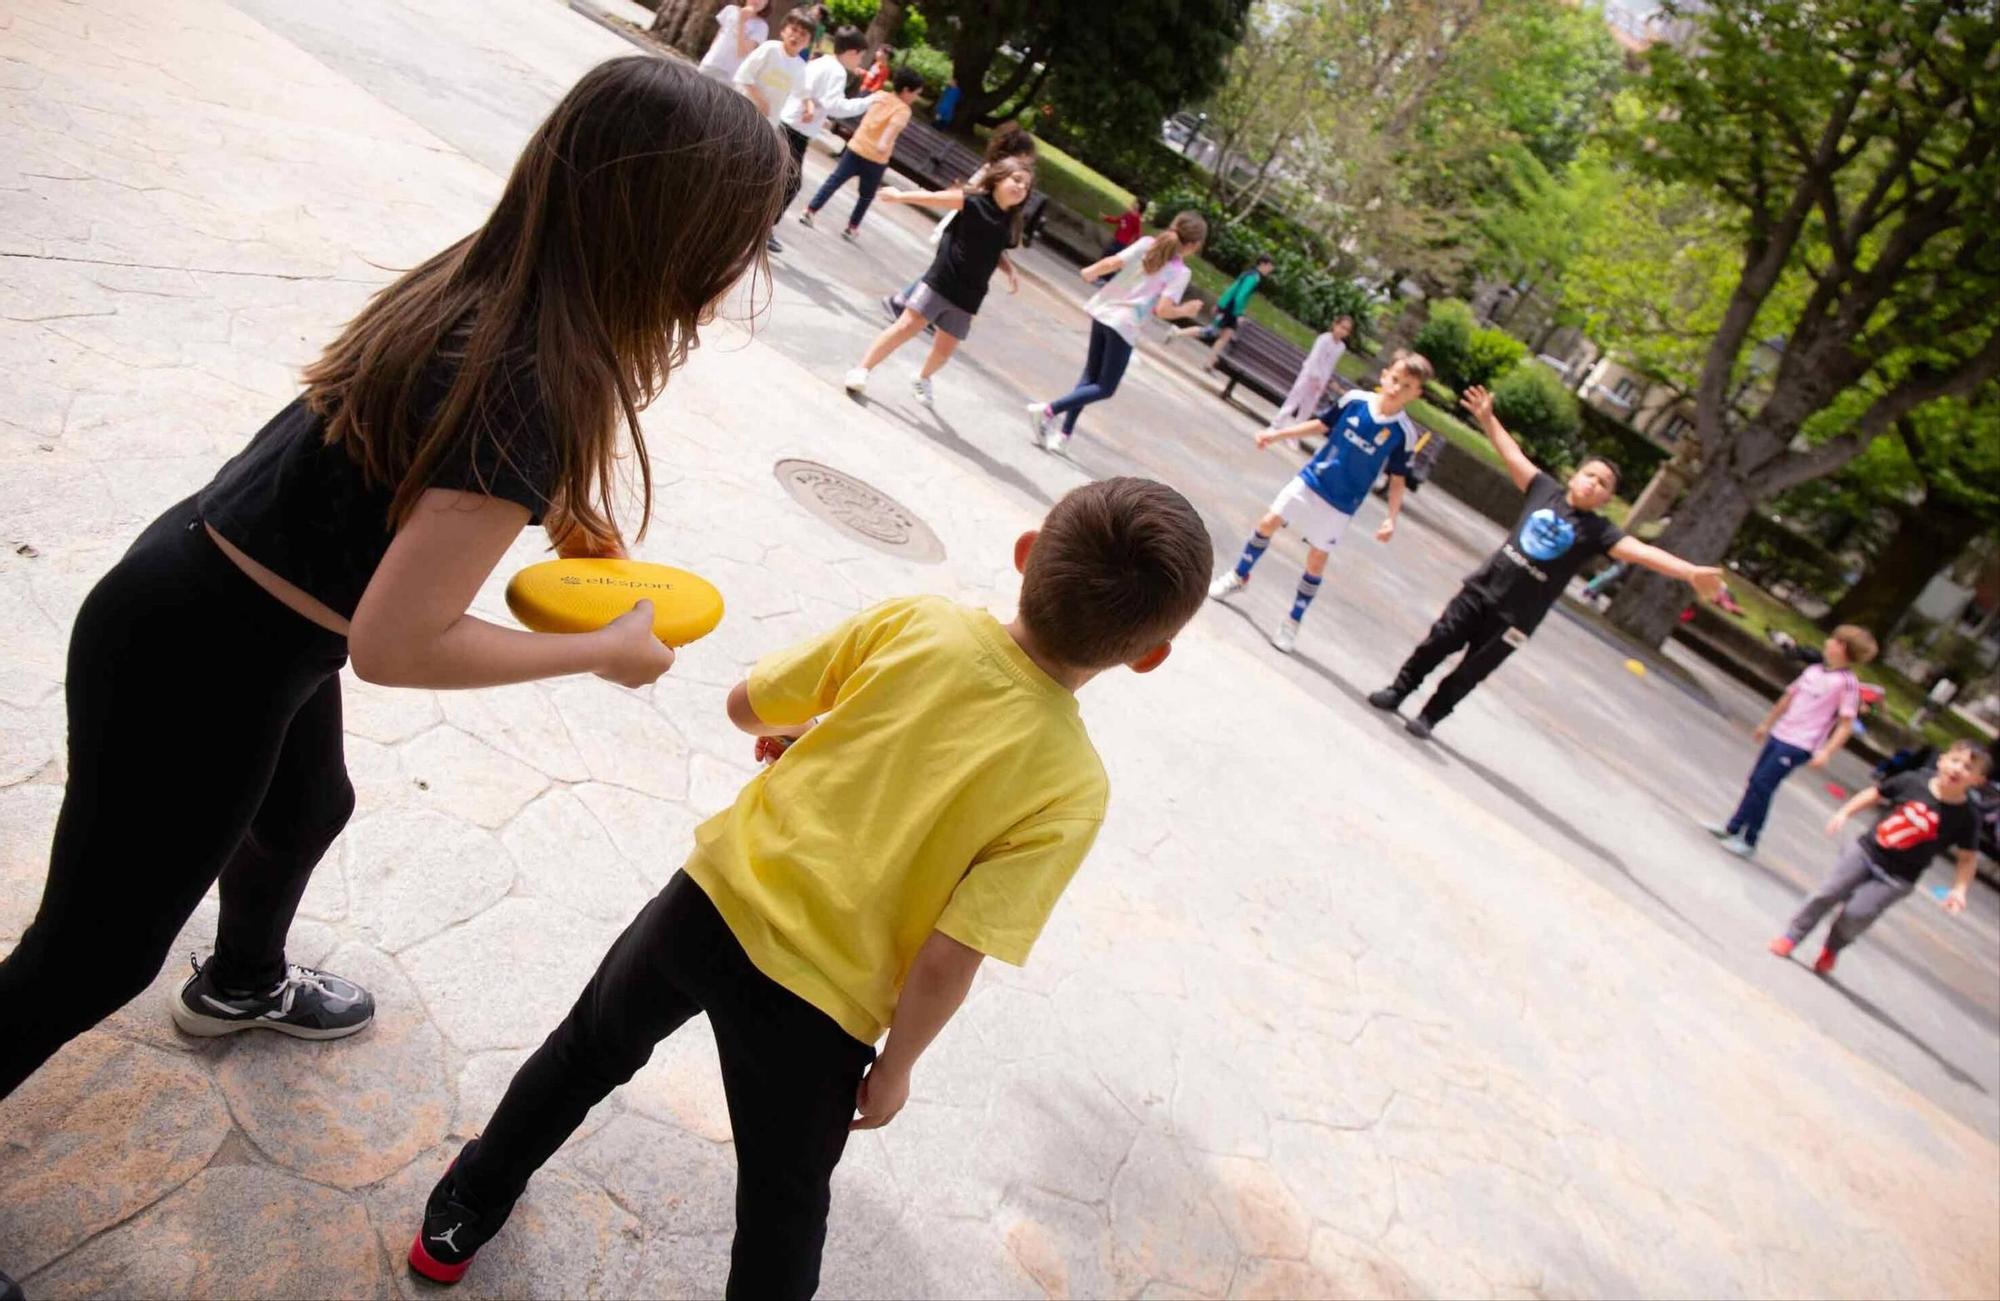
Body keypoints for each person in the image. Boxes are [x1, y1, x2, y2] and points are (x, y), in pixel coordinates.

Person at [0, 58, 787, 1099]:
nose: (746, 262)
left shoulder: (505, 281)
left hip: (223, 598)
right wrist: (604, 647)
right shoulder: (530, 388)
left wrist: (556, 510)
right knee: (90, 954)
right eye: (745, 235)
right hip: (202, 655)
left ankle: (242, 977)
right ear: (672, 234)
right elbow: (398, 643)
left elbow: (416, 455)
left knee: (308, 804)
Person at [405, 478, 1214, 1297]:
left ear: (1028, 552)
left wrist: (795, 731)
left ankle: (459, 1214)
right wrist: (895, 1068)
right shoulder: (1072, 786)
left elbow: (745, 704)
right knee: (783, 1207)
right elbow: (950, 955)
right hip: (823, 1010)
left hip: (712, 904)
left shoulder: (917, 621)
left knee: (585, 1051)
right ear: (1148, 654)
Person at [1367, 385, 1725, 739]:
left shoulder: (1599, 531)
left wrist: (1691, 572)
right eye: (1590, 475)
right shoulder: (1544, 491)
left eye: (1603, 484)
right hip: (1481, 589)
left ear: (1607, 498)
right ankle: (1398, 690)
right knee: (1437, 641)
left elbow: (1644, 553)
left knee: (1471, 671)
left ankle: (1430, 717)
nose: (1593, 484)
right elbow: (1513, 456)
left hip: (1517, 617)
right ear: (1575, 475)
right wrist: (1488, 419)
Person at [1207, 352, 1429, 654]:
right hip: (1312, 479)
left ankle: (1292, 621)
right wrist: (1277, 434)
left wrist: (1391, 517)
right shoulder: (1354, 401)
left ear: (1416, 393)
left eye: (1406, 386)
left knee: (1316, 560)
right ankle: (1238, 575)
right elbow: (1320, 425)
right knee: (1268, 522)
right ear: (1385, 375)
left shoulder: (1403, 434)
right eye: (1395, 379)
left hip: (1341, 502)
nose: (1396, 388)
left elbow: (1398, 480)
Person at [1770, 740, 1989, 974]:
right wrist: (1844, 812)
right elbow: (1875, 793)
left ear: (1978, 781)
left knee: (1857, 914)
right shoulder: (1913, 781)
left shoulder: (1967, 816)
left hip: (1899, 876)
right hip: (1866, 851)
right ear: (1941, 760)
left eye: (1967, 768)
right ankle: (1792, 936)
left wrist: (1959, 890)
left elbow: (1967, 857)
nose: (1957, 769)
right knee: (1827, 893)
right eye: (1955, 761)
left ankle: (1832, 948)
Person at [841, 158, 1032, 408]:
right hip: (942, 280)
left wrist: (1009, 270)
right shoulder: (972, 201)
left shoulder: (1010, 223)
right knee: (905, 327)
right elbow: (934, 198)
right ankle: (861, 370)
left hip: (971, 295)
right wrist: (900, 196)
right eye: (1016, 180)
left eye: (1026, 186)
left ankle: (922, 378)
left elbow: (995, 249)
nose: (1020, 188)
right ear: (998, 178)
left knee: (944, 351)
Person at [1023, 211, 1208, 456]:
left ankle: (1063, 436)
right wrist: (1186, 309)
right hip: (1125, 324)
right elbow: (1163, 311)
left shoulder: (1146, 244)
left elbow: (1113, 262)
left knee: (1090, 378)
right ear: (1193, 245)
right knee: (1105, 387)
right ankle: (1048, 411)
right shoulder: (1179, 272)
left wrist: (1091, 270)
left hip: (1104, 310)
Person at [1704, 624, 1879, 859]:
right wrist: (1768, 723)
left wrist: (1827, 751)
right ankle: (1732, 827)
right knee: (1755, 780)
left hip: (1801, 743)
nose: (1827, 643)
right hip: (1782, 733)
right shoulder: (1814, 671)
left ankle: (1750, 839)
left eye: (1833, 640)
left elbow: (1846, 723)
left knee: (1763, 785)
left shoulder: (1846, 683)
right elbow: (1789, 697)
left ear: (1842, 647)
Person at [886, 122, 1037, 323]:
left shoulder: (1007, 177)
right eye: (1025, 157)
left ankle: (913, 305)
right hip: (962, 228)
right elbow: (967, 197)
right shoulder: (995, 173)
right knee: (941, 274)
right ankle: (905, 302)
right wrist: (900, 196)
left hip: (974, 231)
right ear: (1014, 154)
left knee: (944, 274)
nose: (1027, 163)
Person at [771, 24, 875, 253]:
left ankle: (760, 227)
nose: (860, 62)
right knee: (790, 184)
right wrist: (869, 102)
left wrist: (818, 112)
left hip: (789, 123)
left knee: (780, 180)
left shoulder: (822, 62)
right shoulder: (837, 71)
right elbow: (836, 106)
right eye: (861, 56)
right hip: (796, 130)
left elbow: (808, 90)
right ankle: (763, 229)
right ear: (852, 52)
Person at [799, 67, 923, 240]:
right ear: (906, 90)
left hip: (856, 147)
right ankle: (851, 228)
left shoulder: (880, 96)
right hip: (876, 159)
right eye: (916, 93)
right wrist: (883, 142)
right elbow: (893, 126)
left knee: (834, 181)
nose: (916, 98)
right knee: (866, 196)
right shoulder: (903, 110)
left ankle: (810, 211)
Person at [732, 12, 817, 255]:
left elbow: (802, 92)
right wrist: (758, 98)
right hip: (743, 116)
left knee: (754, 174)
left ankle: (748, 226)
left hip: (769, 127)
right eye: (793, 30)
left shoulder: (800, 65)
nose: (796, 36)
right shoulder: (769, 49)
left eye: (802, 34)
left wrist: (809, 107)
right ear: (783, 30)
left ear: (807, 42)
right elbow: (743, 76)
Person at [1172, 255, 1271, 367]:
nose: (1270, 270)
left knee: (1225, 336)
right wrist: (1238, 313)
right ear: (1262, 264)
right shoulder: (1253, 278)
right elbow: (1240, 296)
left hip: (1230, 309)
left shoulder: (1251, 275)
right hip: (1229, 309)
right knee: (1209, 331)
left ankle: (1210, 361)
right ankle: (1177, 332)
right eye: (1269, 266)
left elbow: (1233, 290)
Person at [1272, 315, 1353, 427]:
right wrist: (1316, 377)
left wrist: (1325, 382)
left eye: (1346, 330)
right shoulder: (1324, 339)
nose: (1342, 331)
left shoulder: (1341, 347)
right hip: (1309, 375)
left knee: (1307, 408)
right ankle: (1277, 423)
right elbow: (1314, 358)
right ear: (1335, 325)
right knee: (1294, 399)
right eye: (1341, 327)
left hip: (1321, 381)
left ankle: (1295, 432)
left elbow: (1330, 365)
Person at [698, 0, 769, 84]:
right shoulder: (730, 10)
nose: (758, 1)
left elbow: (742, 52)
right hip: (710, 63)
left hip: (729, 74)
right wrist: (708, 57)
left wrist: (742, 21)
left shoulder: (761, 26)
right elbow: (718, 37)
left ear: (766, 4)